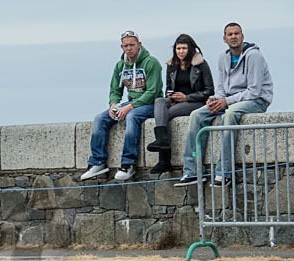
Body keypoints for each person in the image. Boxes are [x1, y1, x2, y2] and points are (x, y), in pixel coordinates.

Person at [175, 22, 273, 187]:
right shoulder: (223, 58)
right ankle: (192, 171)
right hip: (229, 100)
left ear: (242, 36)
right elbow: (221, 89)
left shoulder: (254, 56)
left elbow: (254, 91)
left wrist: (225, 101)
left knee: (229, 114)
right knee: (197, 115)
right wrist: (214, 99)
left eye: (237, 33)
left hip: (256, 101)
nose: (234, 37)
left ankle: (224, 172)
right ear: (224, 38)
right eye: (230, 34)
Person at [81, 30, 163, 182]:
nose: (129, 48)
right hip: (130, 103)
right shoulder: (120, 66)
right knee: (100, 118)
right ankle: (97, 162)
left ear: (139, 45)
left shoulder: (151, 62)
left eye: (132, 45)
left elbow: (152, 92)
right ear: (122, 47)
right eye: (126, 46)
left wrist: (130, 107)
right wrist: (113, 104)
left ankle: (128, 164)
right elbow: (115, 90)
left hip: (152, 104)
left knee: (132, 117)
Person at [146, 34, 214, 175]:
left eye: (184, 48)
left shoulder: (200, 64)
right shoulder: (172, 65)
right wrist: (171, 97)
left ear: (190, 49)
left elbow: (209, 91)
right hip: (176, 101)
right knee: (159, 101)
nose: (181, 51)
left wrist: (186, 97)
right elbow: (169, 88)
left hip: (195, 102)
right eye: (178, 49)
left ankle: (164, 160)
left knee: (166, 115)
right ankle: (161, 140)